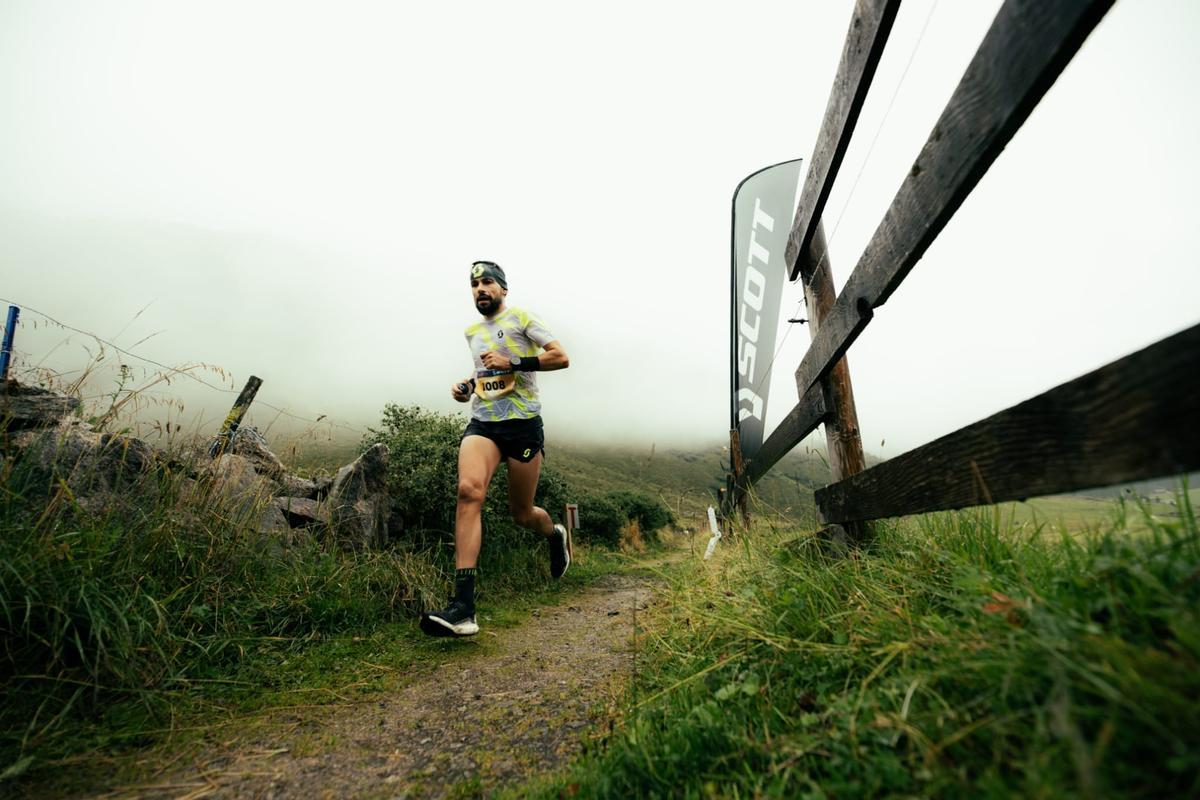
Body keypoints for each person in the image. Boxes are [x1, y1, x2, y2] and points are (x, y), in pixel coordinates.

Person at [420, 260, 571, 637]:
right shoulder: (472, 331)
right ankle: (463, 608)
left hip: (522, 426)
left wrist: (513, 361)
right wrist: (468, 386)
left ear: (503, 288)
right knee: (468, 492)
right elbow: (485, 372)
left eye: (487, 282)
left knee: (522, 514)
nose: (480, 289)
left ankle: (554, 534)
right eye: (474, 285)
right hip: (484, 422)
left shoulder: (522, 318)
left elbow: (560, 357)